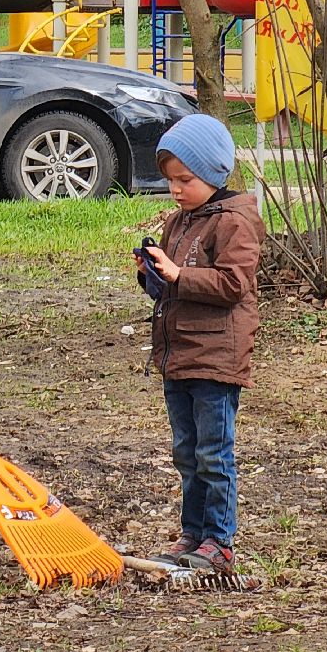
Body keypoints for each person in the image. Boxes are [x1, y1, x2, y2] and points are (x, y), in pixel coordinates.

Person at [135, 114, 264, 576]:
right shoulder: (179, 221)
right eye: (171, 180)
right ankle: (192, 533)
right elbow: (170, 285)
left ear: (212, 173)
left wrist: (178, 274)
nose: (176, 189)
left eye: (185, 180)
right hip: (179, 356)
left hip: (215, 359)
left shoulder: (235, 222)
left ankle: (219, 543)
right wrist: (153, 274)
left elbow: (233, 284)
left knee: (213, 453)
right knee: (186, 453)